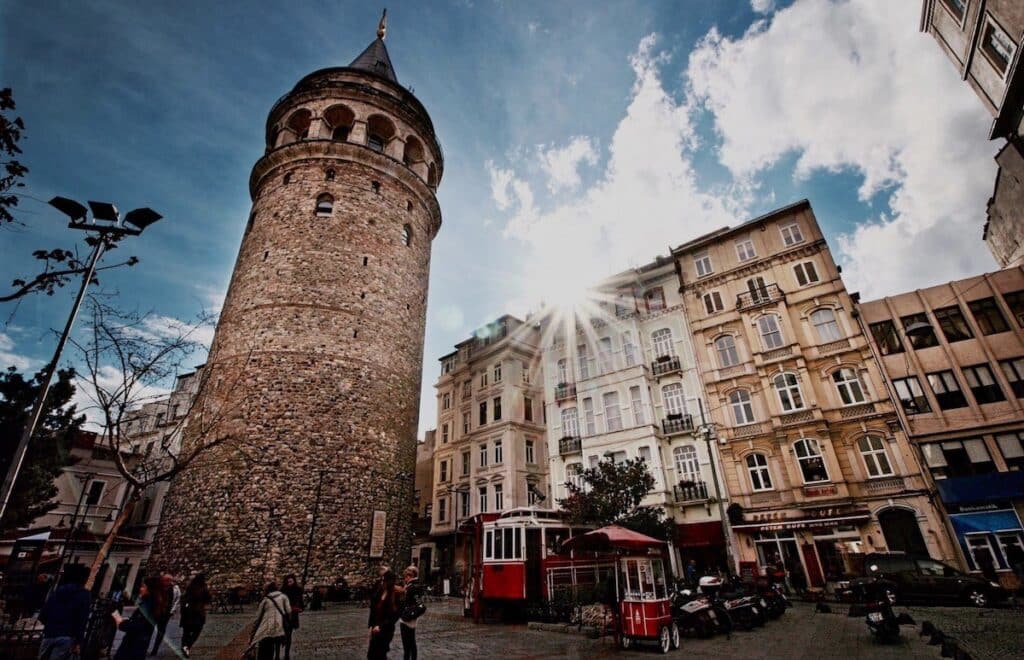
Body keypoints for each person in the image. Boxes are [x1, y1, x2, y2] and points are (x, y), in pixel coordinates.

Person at [38, 564, 91, 660]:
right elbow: (82, 620)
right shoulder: (84, 595)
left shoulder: (57, 592)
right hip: (67, 635)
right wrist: (79, 640)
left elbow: (43, 614)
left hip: (50, 633)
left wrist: (51, 624)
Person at [113, 577, 167, 660]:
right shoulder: (154, 604)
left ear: (149, 589)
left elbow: (137, 625)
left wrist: (119, 621)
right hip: (140, 645)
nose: (140, 589)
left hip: (133, 647)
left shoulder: (148, 605)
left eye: (143, 586)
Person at [249, 582, 291, 660]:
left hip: (267, 628)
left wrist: (253, 632)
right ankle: (277, 656)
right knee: (277, 642)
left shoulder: (265, 600)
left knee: (266, 648)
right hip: (279, 626)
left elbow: (258, 618)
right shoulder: (283, 597)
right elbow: (289, 611)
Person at [367, 569, 402, 660]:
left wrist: (381, 626)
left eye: (385, 581)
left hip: (385, 629)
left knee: (380, 653)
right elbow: (373, 609)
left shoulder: (396, 595)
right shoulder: (380, 591)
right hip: (375, 627)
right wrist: (371, 625)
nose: (383, 582)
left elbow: (394, 615)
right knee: (371, 654)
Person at [179, 574, 212, 658]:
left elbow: (184, 598)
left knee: (186, 632)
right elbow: (208, 598)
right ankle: (187, 646)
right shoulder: (203, 588)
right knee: (196, 631)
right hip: (198, 612)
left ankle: (184, 646)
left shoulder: (190, 587)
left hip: (188, 613)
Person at [150, 573, 180, 656]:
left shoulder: (175, 589)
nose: (165, 582)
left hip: (165, 614)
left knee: (161, 631)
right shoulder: (158, 587)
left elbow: (177, 600)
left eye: (167, 580)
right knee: (150, 629)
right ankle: (148, 647)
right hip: (155, 612)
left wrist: (171, 611)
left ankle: (155, 649)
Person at [399, 566, 424, 660]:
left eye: (405, 577)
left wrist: (408, 614)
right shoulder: (416, 586)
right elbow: (418, 602)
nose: (405, 579)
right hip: (412, 618)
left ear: (409, 576)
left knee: (407, 645)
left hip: (407, 619)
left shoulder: (412, 587)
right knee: (412, 643)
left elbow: (417, 604)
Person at [281, 575, 304, 660]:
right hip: (284, 614)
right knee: (284, 633)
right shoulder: (283, 590)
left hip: (293, 614)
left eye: (291, 581)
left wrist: (300, 608)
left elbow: (300, 601)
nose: (289, 583)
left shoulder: (297, 590)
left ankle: (286, 653)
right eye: (288, 582)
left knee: (289, 634)